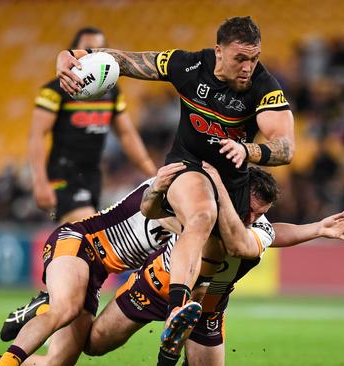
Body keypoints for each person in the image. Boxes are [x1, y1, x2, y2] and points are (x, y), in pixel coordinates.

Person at [56, 16, 295, 364]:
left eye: (254, 58)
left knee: (223, 255)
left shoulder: (264, 87)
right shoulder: (189, 65)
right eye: (240, 58)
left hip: (231, 190)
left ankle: (177, 330)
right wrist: (72, 54)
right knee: (200, 214)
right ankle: (175, 311)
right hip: (187, 170)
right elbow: (124, 61)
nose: (248, 67)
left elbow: (287, 148)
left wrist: (249, 150)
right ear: (218, 51)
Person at [0, 164, 344, 366]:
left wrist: (315, 229)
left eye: (262, 215)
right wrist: (163, 186)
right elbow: (151, 207)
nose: (256, 220)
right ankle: (8, 354)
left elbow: (266, 234)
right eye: (252, 212)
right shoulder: (189, 196)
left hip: (202, 305)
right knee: (80, 327)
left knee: (62, 359)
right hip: (97, 252)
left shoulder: (248, 224)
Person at [0, 163, 186, 366]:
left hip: (97, 273)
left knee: (58, 362)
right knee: (66, 308)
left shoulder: (186, 193)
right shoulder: (170, 189)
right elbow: (187, 227)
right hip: (79, 241)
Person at [30, 27, 156, 223]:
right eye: (88, 49)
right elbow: (37, 135)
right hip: (64, 174)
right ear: (74, 52)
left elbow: (126, 134)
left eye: (99, 49)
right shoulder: (55, 90)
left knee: (81, 243)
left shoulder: (112, 92)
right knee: (87, 227)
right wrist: (40, 182)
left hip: (93, 176)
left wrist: (151, 172)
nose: (93, 54)